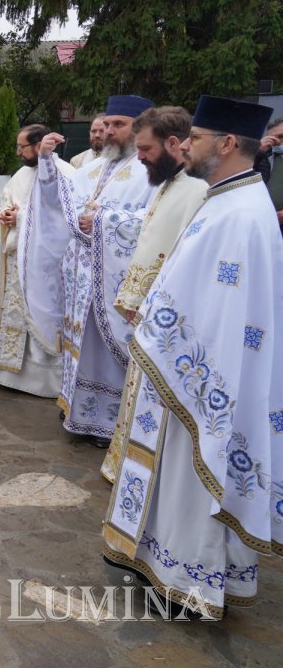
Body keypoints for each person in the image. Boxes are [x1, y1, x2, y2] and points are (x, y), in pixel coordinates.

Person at [101, 95, 281, 620]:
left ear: (226, 144)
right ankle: (168, 568)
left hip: (203, 383)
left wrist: (166, 344)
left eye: (197, 139)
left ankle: (189, 581)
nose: (187, 147)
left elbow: (227, 314)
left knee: (192, 482)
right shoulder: (226, 199)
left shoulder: (241, 214)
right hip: (185, 368)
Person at [25, 95, 154, 448]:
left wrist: (104, 220)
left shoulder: (151, 171)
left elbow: (159, 221)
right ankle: (76, 410)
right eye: (108, 124)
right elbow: (62, 197)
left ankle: (107, 422)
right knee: (79, 342)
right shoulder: (96, 166)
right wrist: (47, 162)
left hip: (115, 276)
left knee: (106, 349)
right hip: (82, 275)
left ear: (140, 127)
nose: (110, 132)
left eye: (118, 125)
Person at [97, 106, 210, 483]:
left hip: (169, 323)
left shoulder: (198, 191)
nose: (140, 156)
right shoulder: (169, 183)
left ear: (173, 143)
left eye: (145, 148)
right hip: (147, 319)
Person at [0, 124, 74, 396]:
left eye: (22, 147)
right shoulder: (21, 174)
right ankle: (12, 373)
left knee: (41, 312)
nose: (18, 152)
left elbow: (61, 219)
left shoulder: (66, 173)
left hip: (45, 264)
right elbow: (8, 200)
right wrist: (6, 214)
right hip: (19, 258)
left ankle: (45, 381)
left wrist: (21, 218)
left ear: (39, 145)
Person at [256, 117, 283, 234]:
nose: (277, 142)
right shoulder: (265, 157)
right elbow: (240, 174)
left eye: (281, 136)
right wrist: (258, 152)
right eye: (273, 138)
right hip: (264, 224)